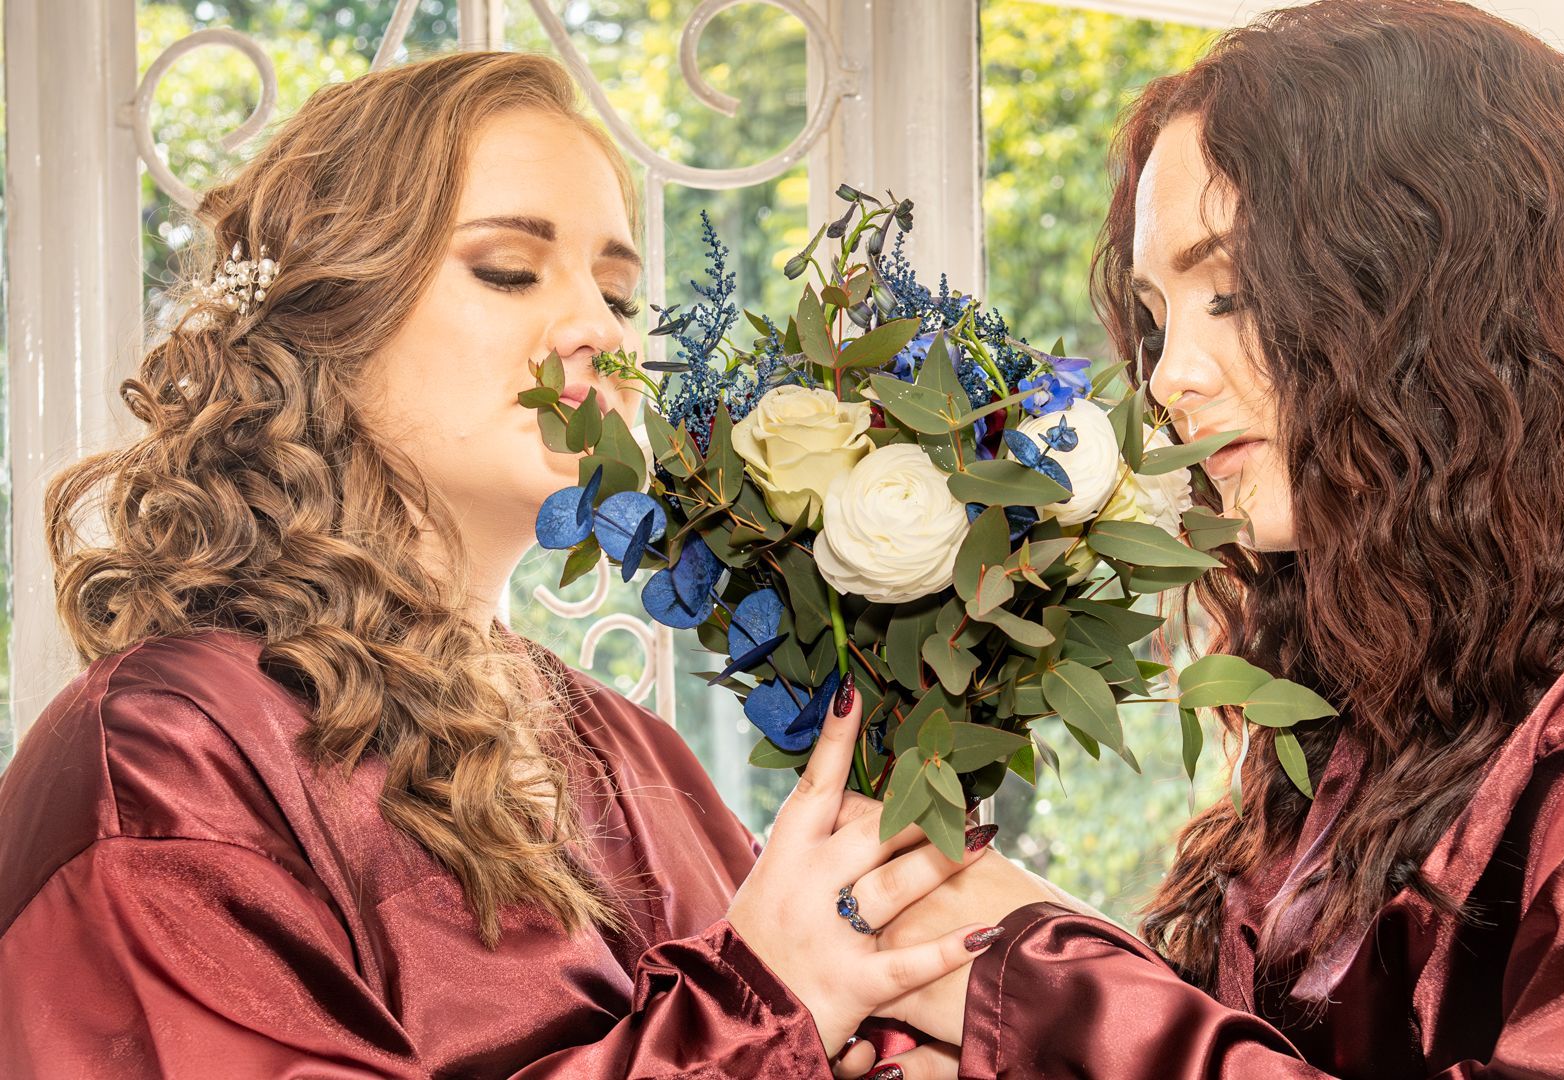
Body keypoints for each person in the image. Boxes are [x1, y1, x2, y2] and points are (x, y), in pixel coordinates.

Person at [0, 50, 1004, 1079]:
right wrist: (760, 1014)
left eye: (618, 294)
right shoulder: (164, 755)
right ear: (329, 320)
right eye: (509, 270)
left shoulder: (638, 755)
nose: (597, 332)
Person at [859, 1, 1564, 1076]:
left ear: (1448, 289)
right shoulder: (1375, 687)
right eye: (1156, 318)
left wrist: (1052, 991)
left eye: (1234, 290)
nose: (1169, 378)